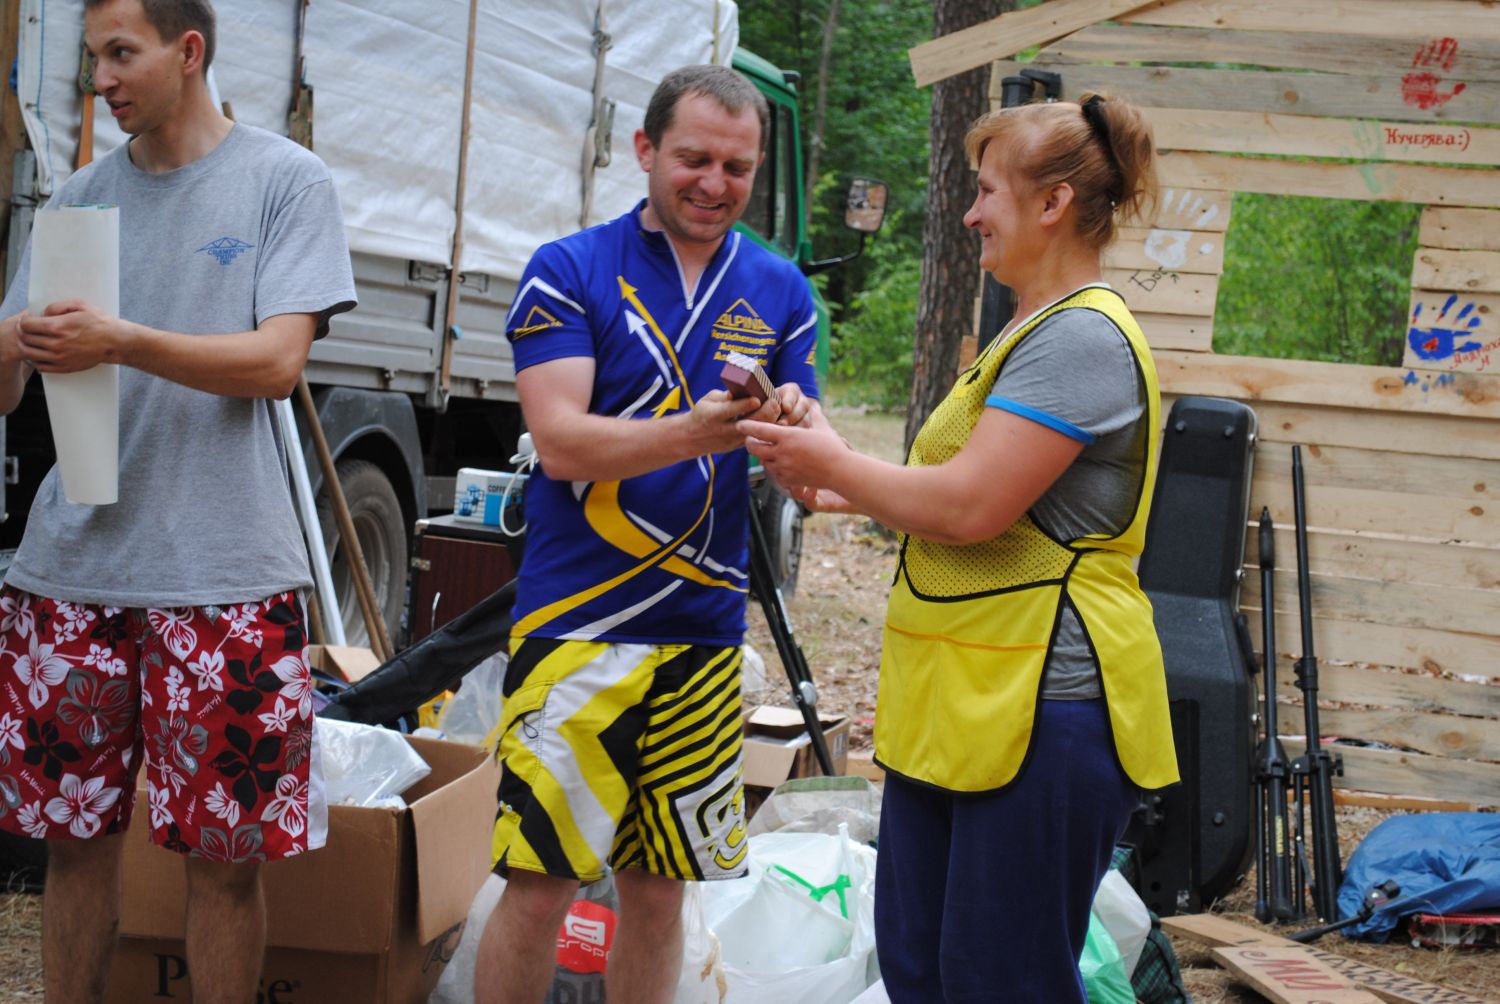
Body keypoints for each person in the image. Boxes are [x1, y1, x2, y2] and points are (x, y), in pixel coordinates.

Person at [740, 92, 1180, 1001]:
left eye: (986, 192)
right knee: (920, 968)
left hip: (1042, 709)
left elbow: (973, 504)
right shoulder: (1025, 332)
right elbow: (951, 497)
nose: (972, 214)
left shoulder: (1083, 338)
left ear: (1053, 203)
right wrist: (831, 465)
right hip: (964, 707)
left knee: (998, 981)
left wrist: (838, 463)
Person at [0, 0, 355, 1000]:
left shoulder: (285, 180)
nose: (101, 80)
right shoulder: (77, 199)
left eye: (122, 54)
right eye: (93, 58)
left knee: (225, 861)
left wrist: (121, 341)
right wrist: (15, 339)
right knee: (70, 846)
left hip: (226, 577)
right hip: (71, 573)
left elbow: (277, 363)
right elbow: (8, 390)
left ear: (188, 51)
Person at [473, 65, 818, 1004]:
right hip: (578, 628)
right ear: (645, 150)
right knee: (539, 887)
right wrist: (697, 433)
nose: (715, 183)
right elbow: (559, 444)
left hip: (705, 635)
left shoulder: (781, 288)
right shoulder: (569, 268)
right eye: (694, 158)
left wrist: (797, 429)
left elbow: (808, 471)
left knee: (662, 894)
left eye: (737, 167)